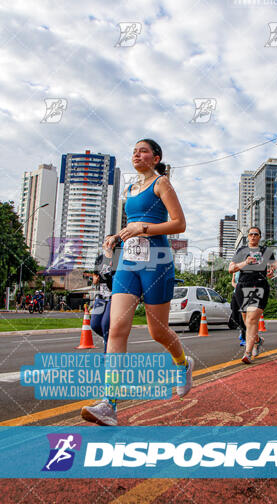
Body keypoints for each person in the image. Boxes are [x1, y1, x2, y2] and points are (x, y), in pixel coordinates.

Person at [81, 139, 193, 426]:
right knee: (117, 328)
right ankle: (109, 404)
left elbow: (179, 223)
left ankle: (182, 363)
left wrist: (145, 227)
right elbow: (132, 223)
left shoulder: (162, 183)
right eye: (134, 150)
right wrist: (117, 237)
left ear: (155, 158)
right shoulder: (130, 189)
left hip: (156, 262)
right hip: (129, 264)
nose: (136, 154)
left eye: (143, 150)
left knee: (158, 332)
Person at [229, 227, 276, 364]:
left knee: (251, 320)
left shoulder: (265, 251)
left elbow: (274, 264)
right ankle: (257, 340)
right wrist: (245, 262)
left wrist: (272, 270)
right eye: (251, 234)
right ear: (248, 237)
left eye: (256, 234)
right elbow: (231, 268)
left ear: (260, 237)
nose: (253, 236)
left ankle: (247, 353)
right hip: (242, 285)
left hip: (259, 285)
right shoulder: (241, 251)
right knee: (246, 320)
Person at [89, 244, 114, 352]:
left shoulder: (117, 258)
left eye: (111, 242)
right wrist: (94, 280)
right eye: (106, 242)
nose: (108, 244)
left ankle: (107, 355)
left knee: (105, 324)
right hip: (101, 296)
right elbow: (95, 274)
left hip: (113, 296)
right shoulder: (100, 259)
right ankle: (110, 341)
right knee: (94, 324)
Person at [231, 271, 246, 346]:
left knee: (242, 317)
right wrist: (237, 287)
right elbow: (233, 282)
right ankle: (242, 330)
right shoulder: (235, 269)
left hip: (245, 294)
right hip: (236, 293)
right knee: (234, 316)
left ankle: (244, 338)